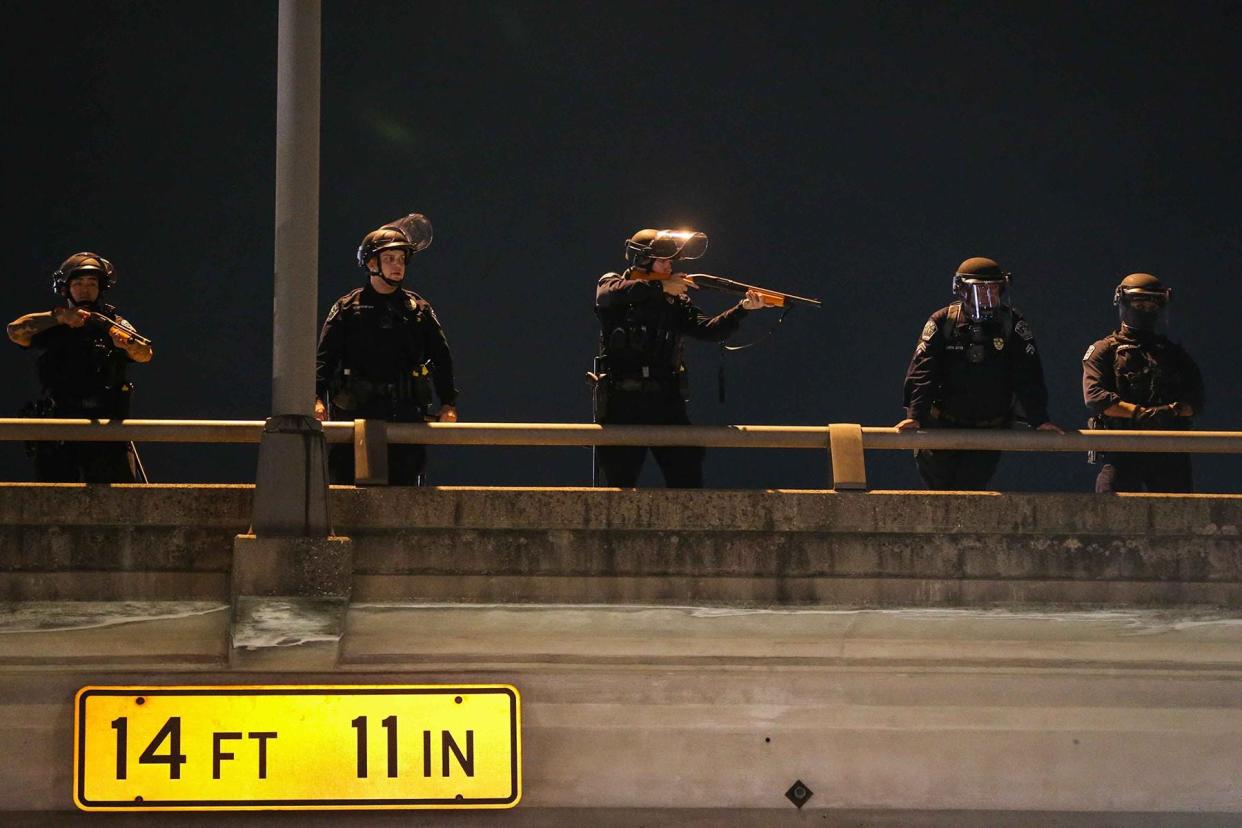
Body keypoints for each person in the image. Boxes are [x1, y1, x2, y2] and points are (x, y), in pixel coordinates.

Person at [593, 228, 767, 488]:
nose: (669, 266)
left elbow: (707, 329)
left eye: (670, 261)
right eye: (662, 261)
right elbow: (607, 294)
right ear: (643, 260)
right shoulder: (616, 285)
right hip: (622, 401)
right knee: (618, 486)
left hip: (665, 400)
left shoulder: (675, 300)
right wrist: (660, 286)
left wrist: (742, 309)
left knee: (687, 476)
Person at [896, 256, 1062, 490]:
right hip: (942, 427)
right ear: (961, 290)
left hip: (989, 429)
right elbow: (923, 371)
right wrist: (914, 414)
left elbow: (1028, 374)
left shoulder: (1012, 323)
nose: (987, 296)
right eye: (979, 289)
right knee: (940, 495)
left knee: (971, 493)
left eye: (993, 289)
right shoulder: (943, 321)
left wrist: (1040, 419)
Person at [315, 214, 458, 485]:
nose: (398, 265)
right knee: (346, 489)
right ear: (371, 263)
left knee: (406, 492)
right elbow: (325, 358)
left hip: (404, 414)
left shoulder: (417, 309)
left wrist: (449, 403)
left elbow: (442, 358)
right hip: (355, 414)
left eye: (402, 259)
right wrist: (316, 398)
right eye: (390, 258)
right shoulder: (348, 307)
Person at [7, 252, 153, 482]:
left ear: (100, 288)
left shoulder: (113, 324)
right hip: (59, 429)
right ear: (66, 288)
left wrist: (127, 344)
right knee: (55, 504)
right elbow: (15, 331)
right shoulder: (53, 323)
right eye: (78, 283)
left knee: (118, 507)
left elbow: (145, 353)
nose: (85, 289)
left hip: (106, 429)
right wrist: (59, 317)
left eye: (92, 284)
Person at [1082, 272, 1204, 493]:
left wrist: (1172, 412)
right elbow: (1096, 397)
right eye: (1140, 302)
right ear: (1124, 302)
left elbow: (1196, 400)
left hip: (1169, 452)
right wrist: (1140, 414)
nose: (1147, 308)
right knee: (1112, 517)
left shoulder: (1173, 354)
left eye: (1153, 303)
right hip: (1122, 449)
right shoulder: (1105, 351)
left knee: (1178, 521)